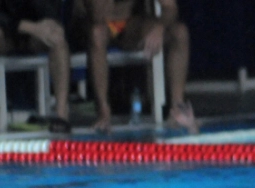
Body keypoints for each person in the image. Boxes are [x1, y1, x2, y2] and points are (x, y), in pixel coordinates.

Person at [83, 0, 197, 134]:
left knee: (180, 33)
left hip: (131, 25)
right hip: (95, 23)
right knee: (97, 32)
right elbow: (95, 13)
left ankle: (177, 109)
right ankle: (103, 111)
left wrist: (159, 27)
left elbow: (170, 7)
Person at [0, 0, 71, 134]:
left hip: (35, 35)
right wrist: (29, 27)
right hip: (5, 33)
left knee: (57, 33)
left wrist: (40, 27)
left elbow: (50, 10)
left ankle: (61, 114)